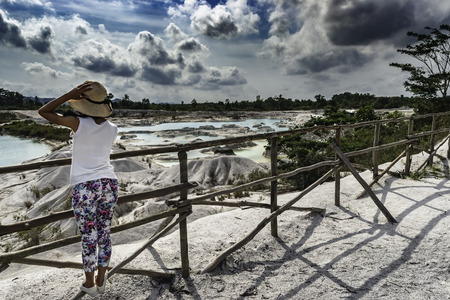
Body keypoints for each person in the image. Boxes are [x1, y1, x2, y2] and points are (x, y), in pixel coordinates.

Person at [38, 81, 118, 297]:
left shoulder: (78, 123)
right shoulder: (113, 128)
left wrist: (69, 94)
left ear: (83, 104)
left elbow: (43, 111)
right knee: (104, 232)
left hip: (85, 186)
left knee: (89, 236)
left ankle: (89, 283)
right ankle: (102, 278)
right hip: (108, 183)